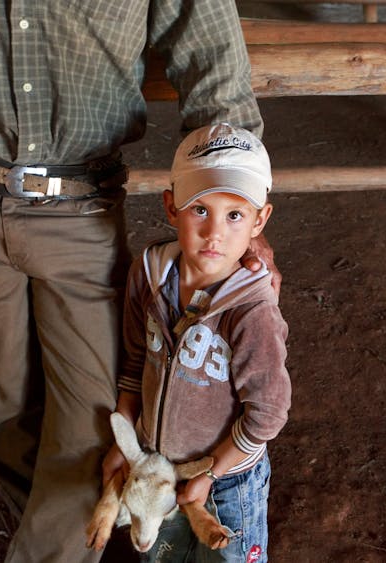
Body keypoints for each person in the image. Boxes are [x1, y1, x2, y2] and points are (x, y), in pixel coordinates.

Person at [0, 2, 276, 562]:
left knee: (97, 428)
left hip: (80, 207)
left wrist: (236, 197)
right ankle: (80, 532)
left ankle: (65, 541)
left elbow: (210, 41)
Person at [108, 123, 292, 562]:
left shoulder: (251, 312)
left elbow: (268, 414)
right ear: (171, 208)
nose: (215, 233)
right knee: (162, 554)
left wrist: (213, 471)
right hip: (158, 468)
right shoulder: (148, 276)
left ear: (259, 220)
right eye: (200, 210)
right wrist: (125, 445)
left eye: (235, 215)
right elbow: (136, 362)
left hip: (228, 482)